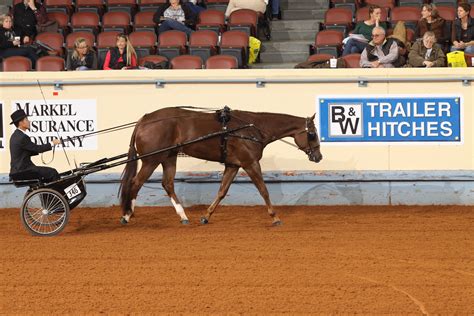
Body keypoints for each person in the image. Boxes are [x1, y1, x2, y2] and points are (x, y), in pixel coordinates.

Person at [9, 109, 61, 182]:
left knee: (47, 175)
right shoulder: (22, 137)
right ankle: (56, 193)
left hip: (18, 170)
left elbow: (27, 151)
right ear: (21, 123)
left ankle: (48, 193)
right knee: (52, 172)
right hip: (23, 170)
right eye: (26, 119)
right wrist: (52, 143)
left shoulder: (15, 135)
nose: (29, 121)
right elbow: (37, 149)